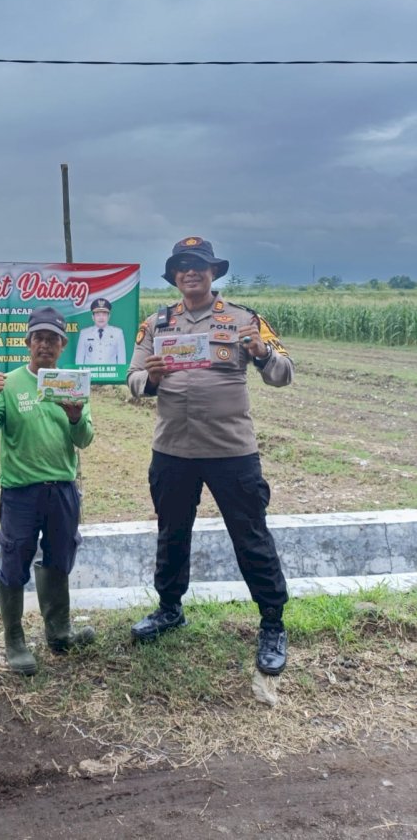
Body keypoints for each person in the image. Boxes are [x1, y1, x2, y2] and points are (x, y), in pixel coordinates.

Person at [127, 237, 293, 676]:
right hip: (173, 451)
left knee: (251, 535)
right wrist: (152, 378)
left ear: (213, 272)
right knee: (172, 534)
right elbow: (132, 377)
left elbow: (284, 374)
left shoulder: (245, 319)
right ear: (175, 275)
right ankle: (169, 609)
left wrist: (260, 352)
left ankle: (272, 623)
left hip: (231, 452)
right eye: (182, 266)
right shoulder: (155, 323)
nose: (190, 272)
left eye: (198, 265)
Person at [0, 306, 95, 676]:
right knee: (14, 562)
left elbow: (85, 439)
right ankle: (14, 640)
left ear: (63, 344)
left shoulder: (72, 384)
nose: (45, 345)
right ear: (28, 343)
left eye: (53, 339)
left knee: (59, 558)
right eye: (38, 338)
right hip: (20, 493)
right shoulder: (8, 384)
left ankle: (59, 632)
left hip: (61, 490)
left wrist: (75, 415)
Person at [75, 297, 127, 365]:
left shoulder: (118, 333)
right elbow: (79, 360)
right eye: (98, 315)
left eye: (104, 314)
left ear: (109, 316)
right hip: (90, 374)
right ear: (93, 317)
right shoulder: (84, 333)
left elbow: (122, 360)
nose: (101, 318)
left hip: (110, 374)